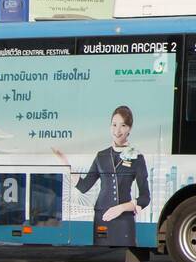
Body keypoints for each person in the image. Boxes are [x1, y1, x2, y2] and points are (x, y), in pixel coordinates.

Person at [53, 105, 150, 247]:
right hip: (101, 216)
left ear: (129, 128)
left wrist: (121, 208)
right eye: (114, 125)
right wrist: (64, 162)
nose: (117, 131)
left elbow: (145, 197)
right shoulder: (101, 156)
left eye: (123, 125)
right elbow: (84, 186)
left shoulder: (137, 157)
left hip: (124, 219)